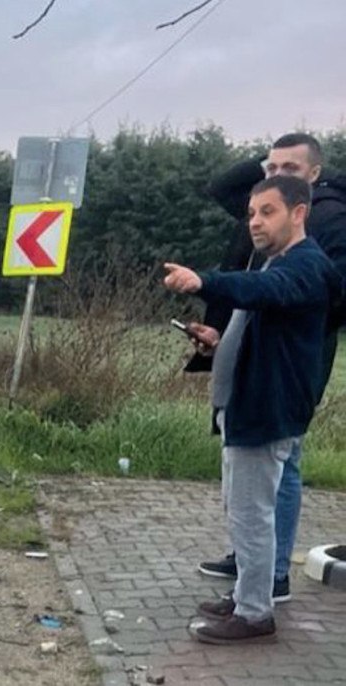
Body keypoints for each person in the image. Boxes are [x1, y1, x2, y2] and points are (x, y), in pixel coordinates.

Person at [164, 175, 339, 644]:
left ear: (298, 213)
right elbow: (265, 326)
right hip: (249, 405)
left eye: (268, 212)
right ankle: (247, 594)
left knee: (252, 515)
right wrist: (220, 341)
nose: (256, 223)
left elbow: (264, 293)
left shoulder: (305, 266)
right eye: (251, 214)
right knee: (242, 511)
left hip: (266, 411)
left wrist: (204, 281)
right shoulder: (277, 265)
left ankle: (255, 613)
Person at [193, 134, 346, 598]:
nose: (277, 177)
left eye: (291, 169)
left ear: (315, 176)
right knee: (249, 489)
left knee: (280, 465)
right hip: (260, 346)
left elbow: (326, 291)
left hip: (295, 356)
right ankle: (251, 566)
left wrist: (296, 326)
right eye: (271, 167)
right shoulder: (270, 208)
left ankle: (269, 577)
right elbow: (222, 187)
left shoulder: (329, 218)